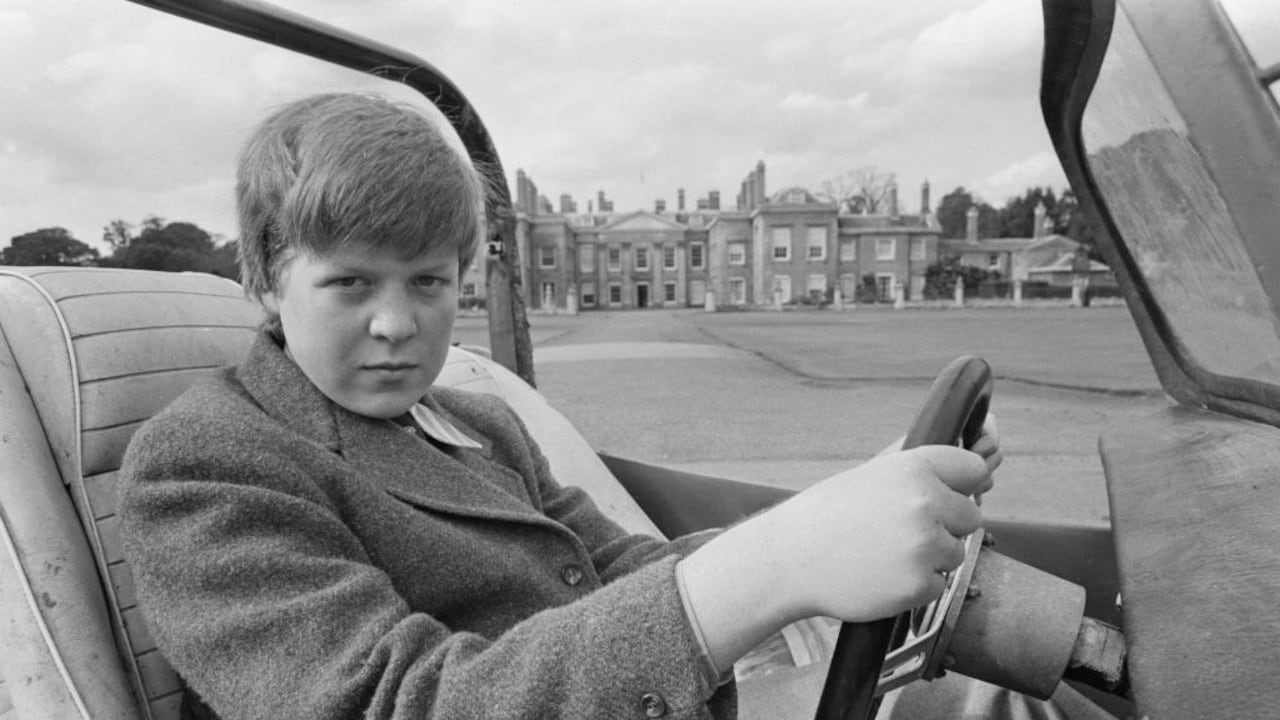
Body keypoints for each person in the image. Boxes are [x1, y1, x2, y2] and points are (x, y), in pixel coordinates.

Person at [119, 92, 999, 720]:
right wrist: (768, 570)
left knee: (984, 689)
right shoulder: (205, 464)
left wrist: (836, 512)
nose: (397, 323)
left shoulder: (478, 422)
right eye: (350, 282)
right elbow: (395, 705)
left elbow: (618, 565)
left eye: (429, 281)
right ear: (266, 282)